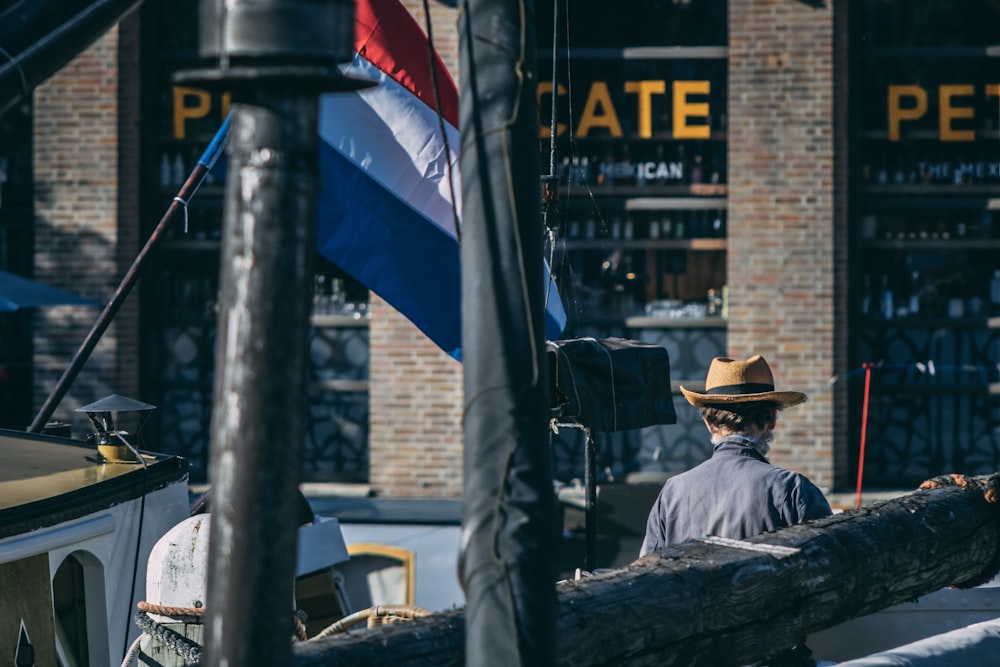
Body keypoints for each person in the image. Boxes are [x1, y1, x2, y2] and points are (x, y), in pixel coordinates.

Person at [639, 355, 833, 667]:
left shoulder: (672, 492)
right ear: (772, 419)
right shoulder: (793, 489)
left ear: (707, 421)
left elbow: (646, 587)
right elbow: (830, 583)